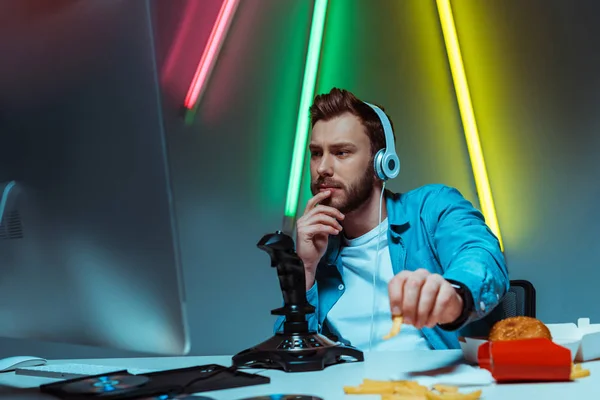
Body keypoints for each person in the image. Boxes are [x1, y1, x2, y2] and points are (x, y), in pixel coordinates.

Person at [274, 88, 509, 350]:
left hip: (435, 388)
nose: (322, 168)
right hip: (348, 390)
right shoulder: (318, 250)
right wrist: (305, 270)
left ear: (382, 163)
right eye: (316, 153)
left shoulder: (432, 208)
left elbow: (479, 253)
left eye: (341, 153)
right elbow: (289, 353)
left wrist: (454, 295)